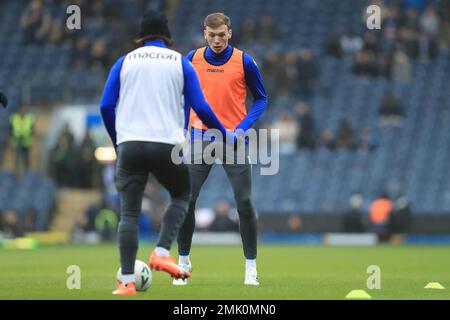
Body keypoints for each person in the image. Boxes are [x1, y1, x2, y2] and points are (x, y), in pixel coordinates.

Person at [100, 10, 234, 296]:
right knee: (182, 195)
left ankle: (126, 282)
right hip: (166, 146)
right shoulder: (180, 63)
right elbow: (202, 107)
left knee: (129, 215)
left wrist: (117, 141)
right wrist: (225, 133)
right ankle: (161, 251)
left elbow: (105, 106)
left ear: (141, 37)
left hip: (131, 146)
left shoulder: (124, 62)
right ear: (167, 38)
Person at [176, 12, 268, 286]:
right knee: (186, 202)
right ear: (205, 33)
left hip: (233, 141)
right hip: (199, 138)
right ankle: (182, 263)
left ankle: (250, 267)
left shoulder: (245, 61)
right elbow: (184, 98)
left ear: (230, 32)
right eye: (211, 34)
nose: (217, 40)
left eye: (221, 34)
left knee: (245, 203)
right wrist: (183, 128)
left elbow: (261, 100)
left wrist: (242, 129)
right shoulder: (191, 59)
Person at [9, 106, 35, 178]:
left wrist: (31, 139)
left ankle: (27, 175)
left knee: (26, 160)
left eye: (24, 110)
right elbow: (10, 130)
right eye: (21, 110)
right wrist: (11, 138)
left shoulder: (29, 118)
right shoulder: (14, 118)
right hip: (16, 142)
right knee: (16, 160)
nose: (22, 111)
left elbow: (32, 130)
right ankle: (16, 174)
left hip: (26, 142)